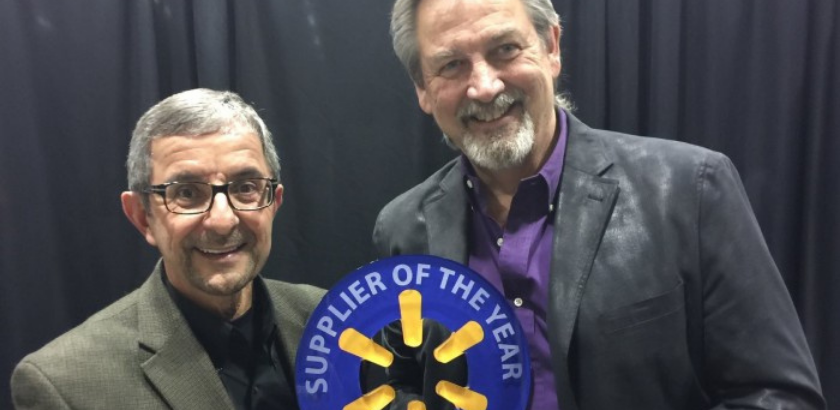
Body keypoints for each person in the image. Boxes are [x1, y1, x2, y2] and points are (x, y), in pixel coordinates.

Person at [372, 0, 826, 409]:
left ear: (551, 47)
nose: (485, 87)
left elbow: (780, 397)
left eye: (505, 49)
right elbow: (400, 383)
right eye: (451, 65)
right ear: (423, 90)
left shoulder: (690, 190)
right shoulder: (402, 229)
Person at [11, 89, 325, 409]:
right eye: (187, 193)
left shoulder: (334, 318)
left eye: (246, 188)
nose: (222, 221)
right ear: (142, 217)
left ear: (274, 202)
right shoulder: (65, 384)